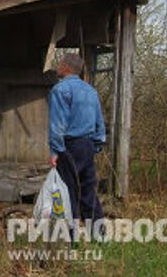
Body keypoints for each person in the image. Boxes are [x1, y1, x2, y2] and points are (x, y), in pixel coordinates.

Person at [48, 53, 105, 225]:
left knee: (67, 191)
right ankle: (99, 236)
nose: (57, 67)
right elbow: (99, 124)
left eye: (59, 64)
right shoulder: (91, 91)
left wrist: (55, 151)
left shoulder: (60, 90)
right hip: (87, 145)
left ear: (65, 67)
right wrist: (95, 145)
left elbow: (57, 125)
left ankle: (68, 239)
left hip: (69, 146)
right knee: (88, 191)